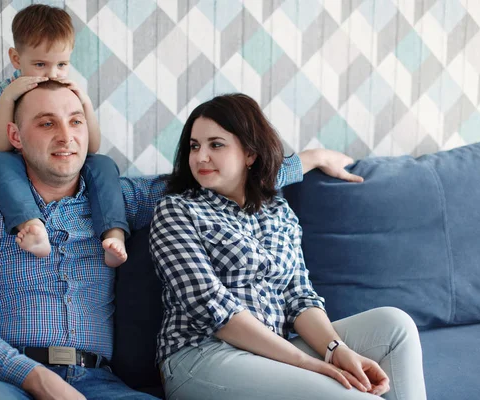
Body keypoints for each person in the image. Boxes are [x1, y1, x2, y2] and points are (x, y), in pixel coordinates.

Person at [0, 81, 363, 399]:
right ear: (15, 137)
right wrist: (34, 377)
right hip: (5, 383)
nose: (66, 136)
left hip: (97, 383)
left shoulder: (120, 200)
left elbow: (225, 173)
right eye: (47, 124)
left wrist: (314, 158)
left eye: (75, 121)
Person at [150, 93, 427, 400]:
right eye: (194, 145)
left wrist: (336, 349)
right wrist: (308, 364)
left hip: (274, 351)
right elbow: (214, 308)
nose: (200, 156)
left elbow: (298, 296)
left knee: (395, 325)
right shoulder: (176, 211)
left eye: (216, 144)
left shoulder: (278, 211)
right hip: (203, 355)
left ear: (250, 154)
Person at [0, 4, 128, 266]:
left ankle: (113, 233)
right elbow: (1, 144)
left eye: (61, 64)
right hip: (16, 167)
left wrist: (85, 105)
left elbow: (92, 146)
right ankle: (32, 226)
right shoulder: (4, 91)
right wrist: (9, 100)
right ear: (16, 59)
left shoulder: (69, 91)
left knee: (103, 163)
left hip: (60, 166)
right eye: (40, 64)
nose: (52, 74)